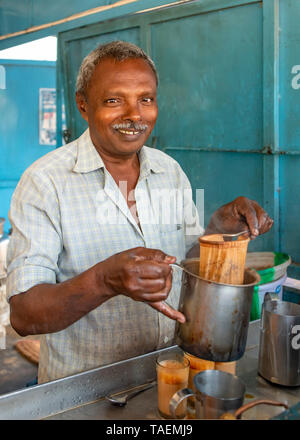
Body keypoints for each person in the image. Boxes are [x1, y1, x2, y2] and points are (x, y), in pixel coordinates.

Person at [6, 41, 273, 384]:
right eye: (114, 100)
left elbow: (183, 264)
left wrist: (216, 230)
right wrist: (104, 280)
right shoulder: (44, 183)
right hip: (87, 394)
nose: (135, 115)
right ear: (83, 105)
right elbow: (24, 314)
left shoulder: (169, 171)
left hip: (171, 376)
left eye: (145, 99)